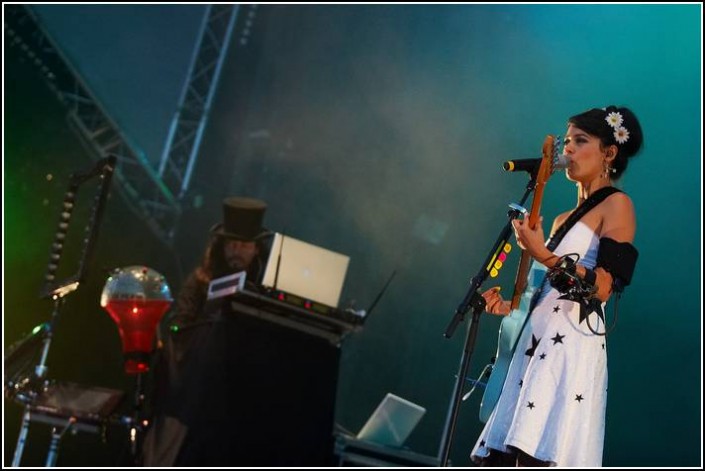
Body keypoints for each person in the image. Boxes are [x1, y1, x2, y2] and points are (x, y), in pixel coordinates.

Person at [471, 106, 643, 467]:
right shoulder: (564, 218)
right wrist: (511, 308)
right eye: (566, 142)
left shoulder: (618, 205)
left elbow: (603, 288)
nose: (567, 151)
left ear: (609, 153)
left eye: (580, 141)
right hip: (536, 342)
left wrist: (542, 254)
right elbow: (547, 287)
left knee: (536, 450)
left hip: (569, 345)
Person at [141, 196, 273, 466]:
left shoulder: (267, 287)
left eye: (244, 245)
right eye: (231, 244)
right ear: (221, 246)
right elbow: (179, 324)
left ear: (257, 249)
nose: (236, 251)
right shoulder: (200, 280)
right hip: (199, 389)